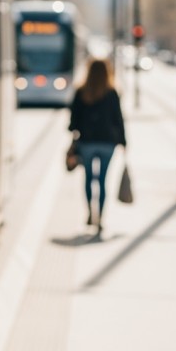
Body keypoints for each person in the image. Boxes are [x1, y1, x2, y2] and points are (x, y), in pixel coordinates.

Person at [68, 58, 126, 235]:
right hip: (108, 143)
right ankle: (99, 217)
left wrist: (75, 129)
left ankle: (89, 213)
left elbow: (73, 121)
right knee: (102, 180)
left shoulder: (81, 91)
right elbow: (119, 119)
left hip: (87, 142)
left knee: (88, 178)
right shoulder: (112, 92)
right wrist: (124, 142)